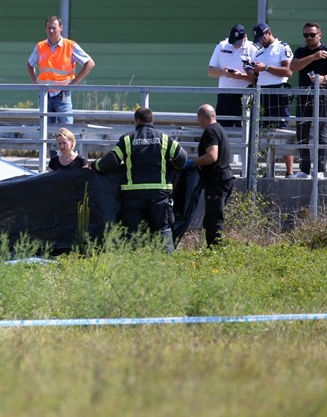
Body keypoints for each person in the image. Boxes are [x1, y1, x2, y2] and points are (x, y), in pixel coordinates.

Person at [93, 107, 187, 252]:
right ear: (152, 120)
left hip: (134, 196)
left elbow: (110, 161)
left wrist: (95, 165)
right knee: (163, 229)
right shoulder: (164, 138)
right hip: (159, 195)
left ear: (136, 120)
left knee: (131, 233)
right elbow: (182, 157)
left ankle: (130, 264)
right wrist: (174, 165)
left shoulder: (128, 139)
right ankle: (167, 265)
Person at [26, 15, 95, 124]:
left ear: (61, 28)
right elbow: (30, 65)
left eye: (54, 27)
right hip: (44, 94)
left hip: (62, 94)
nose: (51, 30)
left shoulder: (70, 45)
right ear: (45, 29)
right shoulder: (40, 46)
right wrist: (36, 83)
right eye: (49, 28)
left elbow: (89, 63)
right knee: (46, 131)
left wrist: (73, 84)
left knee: (66, 131)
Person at [186, 104, 234, 247]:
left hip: (217, 181)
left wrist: (193, 162)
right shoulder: (220, 129)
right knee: (212, 217)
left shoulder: (210, 132)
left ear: (202, 117)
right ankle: (213, 247)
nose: (199, 123)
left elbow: (212, 156)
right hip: (224, 178)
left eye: (198, 119)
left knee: (213, 219)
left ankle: (215, 250)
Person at [252, 22, 296, 177]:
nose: (261, 41)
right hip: (262, 93)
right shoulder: (258, 52)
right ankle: (267, 170)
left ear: (268, 32)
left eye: (262, 37)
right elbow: (257, 75)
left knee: (282, 132)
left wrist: (265, 68)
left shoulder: (282, 47)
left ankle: (289, 171)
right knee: (264, 132)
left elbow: (288, 71)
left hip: (278, 92)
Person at [289, 22, 327, 179]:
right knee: (302, 131)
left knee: (320, 132)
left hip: (323, 96)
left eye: (312, 35)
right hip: (304, 96)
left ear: (319, 35)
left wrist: (323, 79)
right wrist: (313, 57)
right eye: (306, 35)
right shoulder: (301, 51)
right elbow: (293, 67)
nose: (309, 38)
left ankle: (320, 169)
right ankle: (305, 169)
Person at [206, 24, 259, 127]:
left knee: (244, 129)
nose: (235, 45)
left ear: (245, 38)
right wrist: (224, 73)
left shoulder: (253, 49)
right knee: (222, 129)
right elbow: (210, 70)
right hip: (224, 95)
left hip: (244, 96)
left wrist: (241, 76)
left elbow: (257, 79)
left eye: (238, 42)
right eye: (233, 42)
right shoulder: (222, 45)